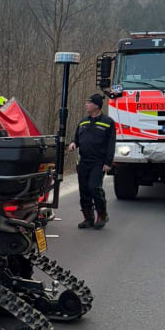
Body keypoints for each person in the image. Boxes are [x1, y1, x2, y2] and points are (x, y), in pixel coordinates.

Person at [68, 93, 116, 230]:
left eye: (89, 103)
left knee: (94, 187)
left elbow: (111, 144)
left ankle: (102, 215)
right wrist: (73, 144)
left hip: (99, 162)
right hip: (84, 161)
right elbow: (76, 139)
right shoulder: (83, 121)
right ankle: (88, 218)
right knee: (84, 190)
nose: (86, 105)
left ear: (96, 106)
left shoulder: (108, 122)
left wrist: (108, 162)